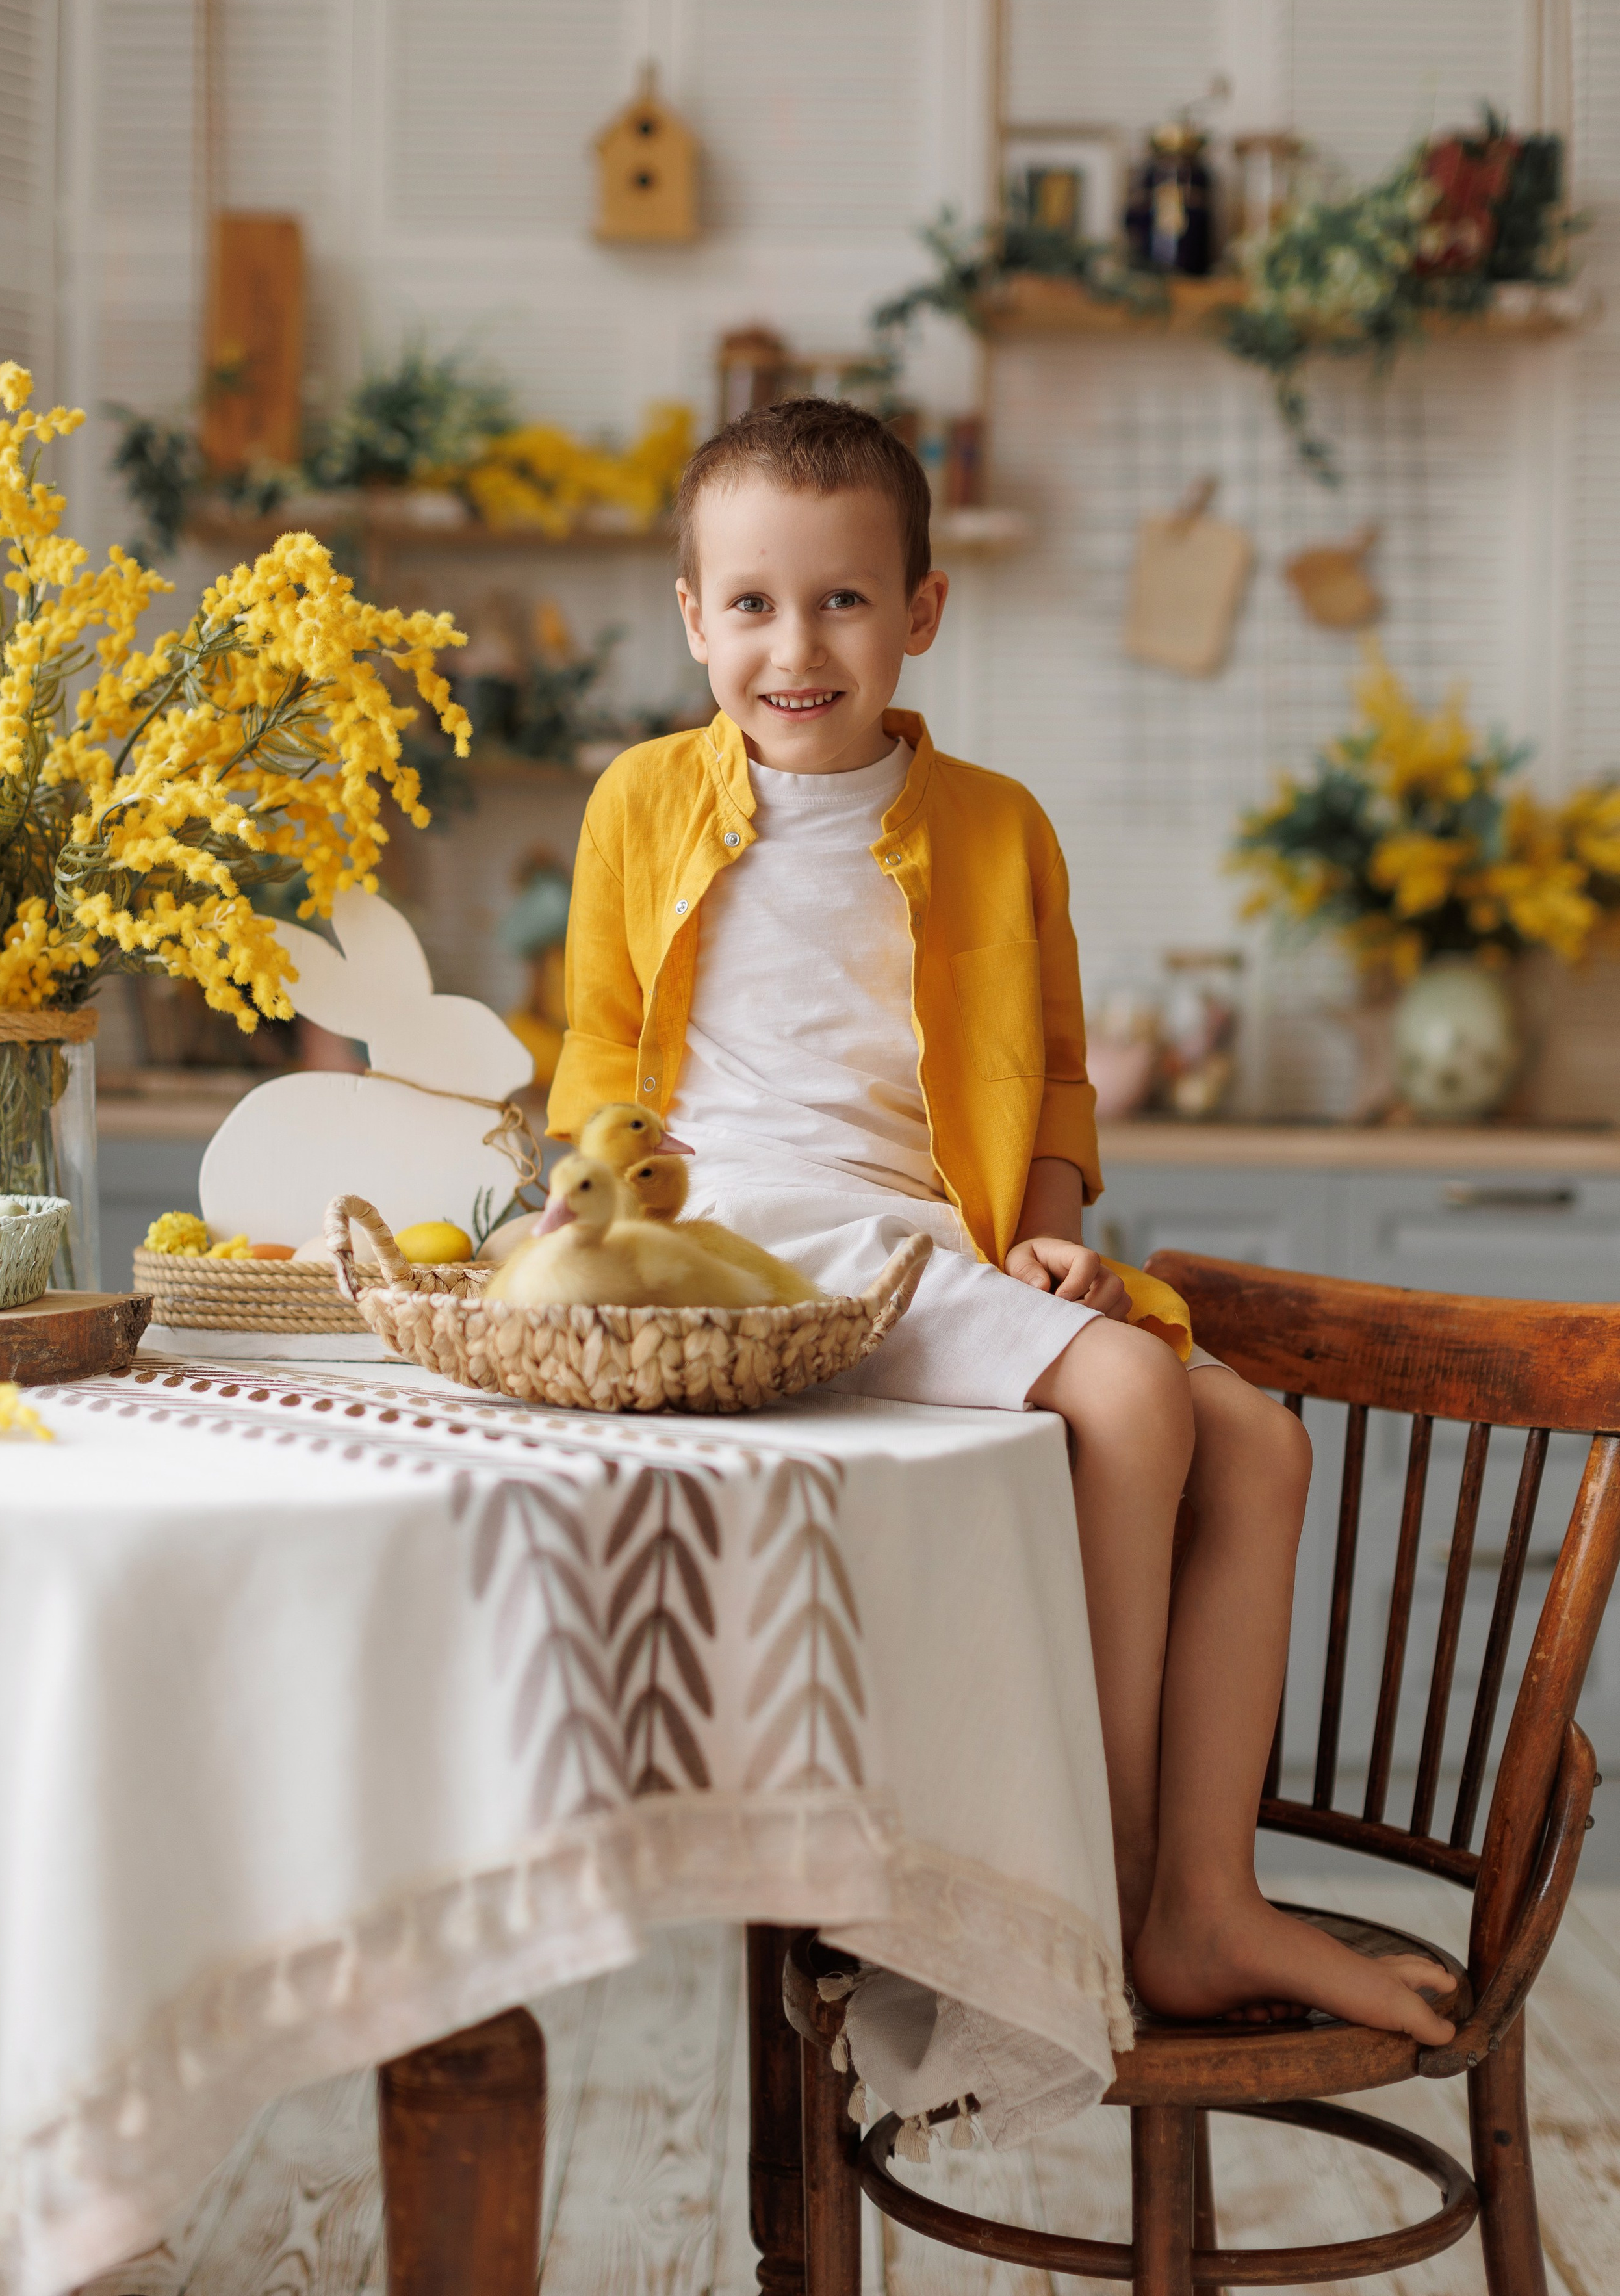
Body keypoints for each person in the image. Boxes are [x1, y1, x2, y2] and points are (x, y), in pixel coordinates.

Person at [548, 397, 1454, 2044]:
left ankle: (1201, 1902)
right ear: (691, 620)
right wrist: (585, 1216)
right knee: (1118, 1393)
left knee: (1257, 1448)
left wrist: (1040, 1228)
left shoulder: (995, 826)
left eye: (840, 599)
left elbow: (1047, 1083)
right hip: (742, 1226)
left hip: (926, 1238)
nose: (794, 644)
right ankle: (1087, 1880)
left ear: (921, 613)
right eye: (748, 604)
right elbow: (597, 1061)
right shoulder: (637, 804)